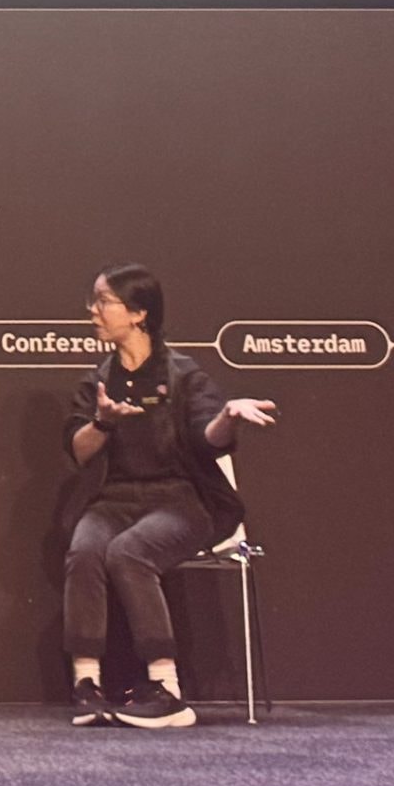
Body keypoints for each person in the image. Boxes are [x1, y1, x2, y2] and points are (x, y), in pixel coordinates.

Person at [58, 264, 277, 730]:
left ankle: (168, 690)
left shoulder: (183, 375)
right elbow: (79, 451)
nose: (92, 311)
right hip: (114, 500)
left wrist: (228, 417)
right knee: (85, 549)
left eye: (103, 302)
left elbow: (208, 440)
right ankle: (87, 683)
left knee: (129, 552)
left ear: (138, 313)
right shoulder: (98, 379)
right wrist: (102, 422)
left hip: (181, 501)